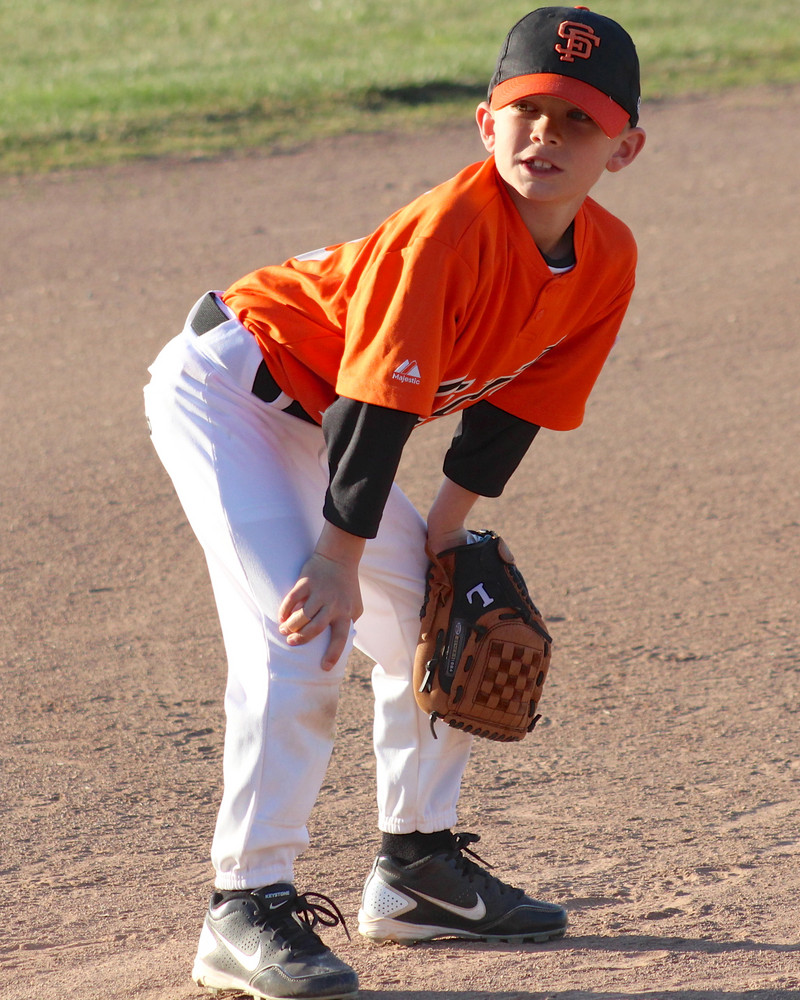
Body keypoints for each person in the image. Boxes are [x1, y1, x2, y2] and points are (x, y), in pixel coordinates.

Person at [143, 6, 646, 998]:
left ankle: (416, 869)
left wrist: (445, 540)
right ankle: (243, 904)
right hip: (230, 391)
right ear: (486, 123)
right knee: (302, 632)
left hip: (325, 419)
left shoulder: (606, 259)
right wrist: (335, 563)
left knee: (451, 618)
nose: (546, 135)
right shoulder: (445, 233)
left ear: (623, 148)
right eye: (527, 111)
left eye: (578, 120)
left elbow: (513, 412)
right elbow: (373, 411)